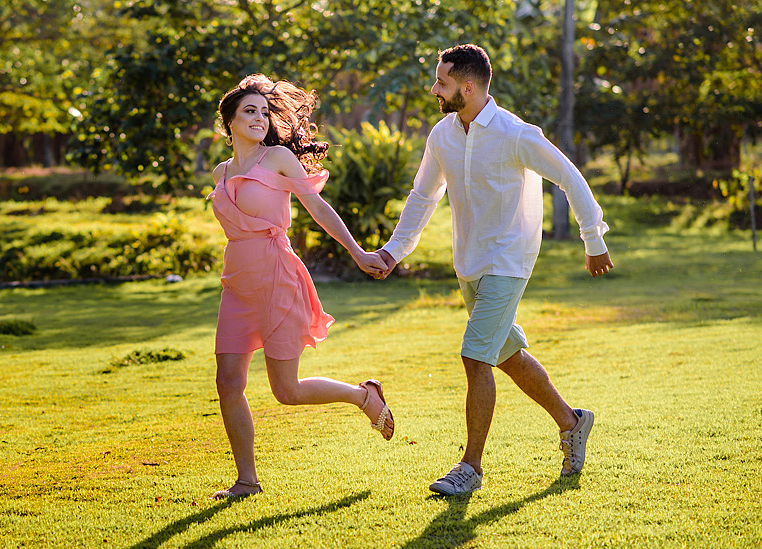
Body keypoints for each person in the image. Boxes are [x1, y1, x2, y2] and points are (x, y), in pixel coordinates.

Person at [369, 44, 614, 496]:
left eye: (441, 82)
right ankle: (572, 421)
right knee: (505, 355)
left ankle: (470, 467)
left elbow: (569, 176)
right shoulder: (442, 135)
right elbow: (423, 197)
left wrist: (593, 238)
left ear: (467, 86)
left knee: (474, 356)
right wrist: (393, 252)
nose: (433, 89)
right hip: (470, 262)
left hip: (509, 259)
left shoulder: (515, 133)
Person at [207, 74, 394, 500]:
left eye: (264, 111)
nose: (259, 118)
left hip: (277, 276)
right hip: (237, 284)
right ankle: (247, 481)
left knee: (285, 390)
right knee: (227, 381)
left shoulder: (276, 159)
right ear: (229, 122)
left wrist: (357, 252)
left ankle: (363, 397)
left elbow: (318, 208)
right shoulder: (221, 171)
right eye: (249, 111)